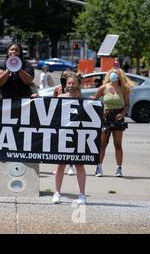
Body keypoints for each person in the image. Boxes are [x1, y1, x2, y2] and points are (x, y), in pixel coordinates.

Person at [89, 68, 135, 177]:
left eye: (116, 74)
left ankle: (119, 168)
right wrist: (90, 98)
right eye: (112, 74)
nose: (113, 76)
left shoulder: (124, 89)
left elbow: (127, 105)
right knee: (102, 144)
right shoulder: (104, 88)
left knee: (117, 144)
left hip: (118, 118)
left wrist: (122, 114)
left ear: (120, 77)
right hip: (106, 118)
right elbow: (94, 98)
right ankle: (99, 167)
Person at [52, 73, 87, 205]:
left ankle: (82, 194)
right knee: (60, 165)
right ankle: (57, 193)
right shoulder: (61, 98)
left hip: (79, 136)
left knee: (79, 164)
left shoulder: (84, 100)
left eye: (73, 83)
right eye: (68, 83)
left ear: (78, 84)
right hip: (63, 136)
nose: (70, 86)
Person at [52, 69, 76, 176]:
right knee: (60, 144)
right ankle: (58, 166)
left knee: (70, 143)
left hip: (71, 119)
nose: (64, 78)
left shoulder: (73, 89)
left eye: (67, 76)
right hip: (61, 119)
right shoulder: (57, 89)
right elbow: (52, 103)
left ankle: (71, 165)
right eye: (64, 76)